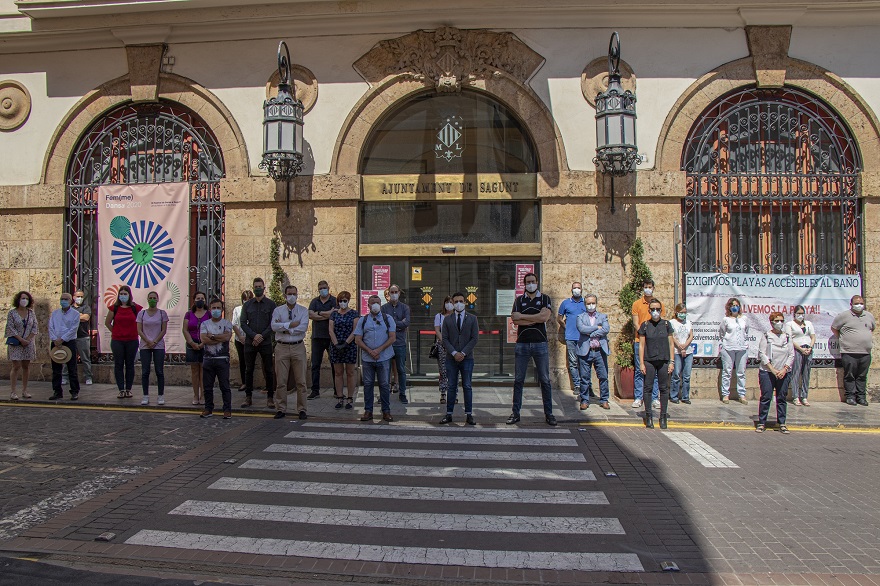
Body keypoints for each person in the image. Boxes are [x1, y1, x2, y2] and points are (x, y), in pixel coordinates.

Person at [508, 272, 557, 426]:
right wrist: (532, 318)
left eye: (533, 281)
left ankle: (549, 414)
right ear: (524, 284)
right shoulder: (519, 300)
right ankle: (515, 413)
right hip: (522, 344)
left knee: (545, 380)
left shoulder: (544, 298)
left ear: (537, 282)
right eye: (528, 282)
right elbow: (514, 319)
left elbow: (544, 318)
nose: (530, 284)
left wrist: (524, 317)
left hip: (540, 343)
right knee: (518, 380)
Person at [439, 292, 480, 425]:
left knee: (467, 386)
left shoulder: (473, 318)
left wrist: (462, 352)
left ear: (465, 302)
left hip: (467, 358)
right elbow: (444, 338)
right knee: (451, 386)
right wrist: (454, 352)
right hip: (451, 358)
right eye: (455, 301)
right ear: (452, 303)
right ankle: (449, 414)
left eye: (460, 301)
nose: (458, 304)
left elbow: (474, 338)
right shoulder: (447, 319)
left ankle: (469, 414)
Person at [355, 294, 396, 422]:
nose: (375, 305)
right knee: (368, 384)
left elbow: (392, 337)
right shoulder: (363, 320)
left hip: (383, 357)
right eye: (373, 302)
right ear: (368, 305)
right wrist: (369, 351)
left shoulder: (388, 318)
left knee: (384, 384)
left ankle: (386, 411)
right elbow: (357, 339)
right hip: (368, 359)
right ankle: (368, 411)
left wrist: (378, 350)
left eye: (377, 302)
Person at [271, 285, 309, 420]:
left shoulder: (303, 311)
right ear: (285, 295)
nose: (292, 296)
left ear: (297, 295)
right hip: (282, 347)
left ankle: (302, 409)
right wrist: (290, 325)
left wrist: (284, 327)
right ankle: (281, 408)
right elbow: (274, 326)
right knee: (281, 381)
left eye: (294, 293)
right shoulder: (278, 310)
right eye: (289, 294)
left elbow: (303, 327)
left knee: (301, 381)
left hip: (298, 346)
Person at [637, 298, 675, 429]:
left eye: (657, 309)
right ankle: (648, 416)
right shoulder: (645, 325)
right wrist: (641, 363)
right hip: (649, 360)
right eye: (652, 309)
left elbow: (671, 343)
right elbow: (641, 345)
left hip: (664, 360)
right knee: (648, 388)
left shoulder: (666, 324)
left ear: (661, 310)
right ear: (649, 310)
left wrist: (671, 361)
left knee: (664, 389)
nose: (655, 312)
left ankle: (663, 416)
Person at [832, 295, 875, 406]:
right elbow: (834, 328)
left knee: (862, 376)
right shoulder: (844, 316)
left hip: (865, 352)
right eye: (856, 303)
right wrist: (843, 339)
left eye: (861, 303)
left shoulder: (869, 316)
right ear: (851, 304)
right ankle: (850, 396)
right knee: (849, 375)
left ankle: (861, 397)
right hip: (849, 352)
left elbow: (872, 329)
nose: (859, 305)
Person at [241, 277, 277, 409]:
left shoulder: (271, 304)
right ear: (253, 287)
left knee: (268, 370)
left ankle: (270, 398)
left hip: (265, 342)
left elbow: (273, 323)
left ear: (264, 287)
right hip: (250, 342)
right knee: (248, 370)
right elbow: (243, 323)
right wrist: (254, 336)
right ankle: (248, 397)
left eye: (260, 286)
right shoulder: (247, 305)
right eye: (255, 286)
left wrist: (261, 336)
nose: (258, 288)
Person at [756, 312, 794, 433]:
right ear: (771, 322)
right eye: (776, 321)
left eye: (781, 321)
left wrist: (784, 369)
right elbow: (762, 353)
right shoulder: (766, 336)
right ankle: (762, 422)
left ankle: (781, 422)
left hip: (783, 372)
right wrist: (772, 369)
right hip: (767, 371)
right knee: (766, 396)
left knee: (781, 397)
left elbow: (791, 354)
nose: (779, 323)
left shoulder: (787, 337)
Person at [105, 285, 142, 399]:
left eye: (125, 294)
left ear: (129, 295)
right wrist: (115, 331)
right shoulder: (114, 308)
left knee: (130, 364)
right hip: (117, 341)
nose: (123, 296)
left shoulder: (135, 308)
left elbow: (140, 322)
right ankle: (121, 389)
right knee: (119, 364)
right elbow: (107, 323)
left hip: (132, 340)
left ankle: (128, 389)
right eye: (121, 294)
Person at [199, 298, 234, 419]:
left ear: (222, 309)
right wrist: (218, 337)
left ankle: (227, 409)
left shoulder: (227, 324)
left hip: (222, 359)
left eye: (218, 308)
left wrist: (212, 336)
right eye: (214, 308)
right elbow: (204, 339)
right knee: (207, 386)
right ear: (210, 309)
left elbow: (226, 338)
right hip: (208, 359)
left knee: (225, 385)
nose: (216, 310)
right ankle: (208, 409)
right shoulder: (205, 324)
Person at [575, 294, 610, 410]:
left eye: (593, 303)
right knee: (584, 377)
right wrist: (597, 328)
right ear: (585, 304)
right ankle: (584, 400)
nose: (591, 305)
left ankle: (604, 399)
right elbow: (582, 329)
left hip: (600, 351)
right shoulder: (580, 317)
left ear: (596, 303)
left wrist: (591, 333)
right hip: (586, 351)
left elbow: (606, 329)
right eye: (588, 303)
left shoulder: (603, 316)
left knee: (603, 376)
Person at [631, 279, 661, 410]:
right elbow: (635, 323)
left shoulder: (658, 305)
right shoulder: (637, 304)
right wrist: (643, 334)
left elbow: (660, 322)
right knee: (639, 370)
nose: (648, 289)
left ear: (653, 288)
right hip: (640, 341)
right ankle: (638, 397)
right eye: (646, 287)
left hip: (654, 343)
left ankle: (655, 398)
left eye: (650, 287)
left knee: (654, 371)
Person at [136, 291, 168, 405]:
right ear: (147, 299)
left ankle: (160, 395)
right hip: (145, 345)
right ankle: (145, 395)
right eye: (150, 298)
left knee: (159, 371)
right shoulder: (142, 314)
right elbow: (139, 330)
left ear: (158, 299)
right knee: (145, 371)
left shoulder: (162, 314)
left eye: (154, 298)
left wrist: (155, 341)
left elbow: (163, 330)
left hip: (158, 345)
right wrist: (147, 341)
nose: (152, 300)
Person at [329, 291, 359, 410]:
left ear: (348, 301)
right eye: (340, 300)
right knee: (338, 373)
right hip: (336, 345)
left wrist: (346, 343)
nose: (342, 302)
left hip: (349, 346)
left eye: (345, 300)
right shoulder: (334, 314)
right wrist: (336, 344)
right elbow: (331, 330)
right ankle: (340, 397)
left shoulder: (354, 314)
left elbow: (355, 330)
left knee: (350, 372)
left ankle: (350, 397)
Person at [5, 290, 37, 401]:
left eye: (27, 299)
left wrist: (27, 339)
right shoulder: (12, 313)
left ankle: (25, 390)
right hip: (16, 343)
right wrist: (20, 339)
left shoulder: (31, 313)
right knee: (16, 366)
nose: (24, 300)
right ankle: (13, 391)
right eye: (22, 298)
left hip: (28, 343)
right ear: (18, 300)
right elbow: (10, 327)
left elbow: (35, 327)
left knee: (26, 366)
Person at [48, 293, 81, 401]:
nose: (63, 301)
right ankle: (57, 391)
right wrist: (55, 339)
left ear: (71, 301)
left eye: (66, 299)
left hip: (69, 342)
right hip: (56, 342)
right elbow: (50, 326)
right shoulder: (55, 313)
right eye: (62, 299)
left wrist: (62, 339)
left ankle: (74, 391)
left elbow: (73, 329)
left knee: (72, 368)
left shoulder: (75, 314)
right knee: (56, 369)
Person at [307, 280, 337, 400]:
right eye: (320, 288)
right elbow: (310, 315)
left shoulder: (334, 300)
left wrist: (318, 314)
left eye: (324, 287)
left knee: (335, 364)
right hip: (317, 337)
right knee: (315, 365)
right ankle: (315, 391)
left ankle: (337, 390)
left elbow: (334, 315)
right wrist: (326, 314)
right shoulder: (314, 301)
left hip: (331, 337)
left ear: (328, 288)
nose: (322, 290)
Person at [382, 284, 411, 404]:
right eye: (391, 292)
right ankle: (385, 392)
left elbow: (406, 323)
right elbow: (383, 324)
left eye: (395, 292)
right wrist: (399, 324)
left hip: (399, 342)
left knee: (401, 369)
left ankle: (402, 393)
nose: (393, 294)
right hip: (387, 343)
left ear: (399, 293)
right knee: (385, 369)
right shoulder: (383, 308)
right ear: (388, 294)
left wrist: (392, 323)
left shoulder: (405, 308)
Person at [558, 282, 587, 398]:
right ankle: (577, 385)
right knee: (573, 362)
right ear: (571, 290)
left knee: (584, 362)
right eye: (575, 288)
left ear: (582, 289)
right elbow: (559, 318)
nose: (576, 290)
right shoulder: (565, 303)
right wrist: (566, 327)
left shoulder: (585, 303)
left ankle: (586, 385)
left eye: (578, 288)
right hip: (570, 337)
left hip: (584, 337)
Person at [718, 297, 749, 404]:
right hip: (728, 348)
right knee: (727, 371)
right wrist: (726, 342)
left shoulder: (744, 319)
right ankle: (725, 394)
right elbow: (722, 333)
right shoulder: (726, 319)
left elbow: (746, 331)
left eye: (736, 305)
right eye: (732, 305)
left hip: (742, 348)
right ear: (729, 307)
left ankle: (742, 394)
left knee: (741, 372)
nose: (734, 307)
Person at [182, 291, 210, 405]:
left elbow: (211, 328)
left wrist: (203, 343)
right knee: (194, 370)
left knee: (203, 370)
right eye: (198, 298)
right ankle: (195, 395)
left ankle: (203, 395)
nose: (200, 300)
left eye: (202, 298)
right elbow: (185, 329)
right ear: (194, 300)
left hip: (205, 344)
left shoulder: (209, 314)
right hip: (191, 344)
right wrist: (191, 342)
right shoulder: (189, 314)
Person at [786, 305, 816, 407]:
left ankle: (804, 396)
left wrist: (810, 347)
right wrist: (800, 349)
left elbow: (812, 336)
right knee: (796, 372)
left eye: (802, 313)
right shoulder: (790, 324)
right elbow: (790, 339)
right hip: (797, 349)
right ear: (794, 314)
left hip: (808, 349)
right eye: (798, 313)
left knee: (806, 373)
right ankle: (795, 396)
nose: (800, 315)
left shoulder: (808, 323)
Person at [670, 303, 694, 405]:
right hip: (676, 351)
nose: (683, 315)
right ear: (676, 312)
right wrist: (679, 346)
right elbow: (672, 336)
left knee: (686, 375)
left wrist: (685, 345)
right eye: (681, 313)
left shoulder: (688, 323)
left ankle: (685, 396)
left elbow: (691, 335)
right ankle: (674, 396)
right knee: (676, 374)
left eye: (685, 313)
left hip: (688, 351)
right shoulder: (672, 322)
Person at [231, 290, 254, 392]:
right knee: (242, 361)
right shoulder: (237, 309)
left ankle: (250, 383)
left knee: (250, 362)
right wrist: (240, 336)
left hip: (250, 339)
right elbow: (234, 324)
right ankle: (244, 382)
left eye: (249, 299)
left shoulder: (254, 310)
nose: (247, 301)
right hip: (240, 339)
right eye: (245, 299)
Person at [433, 296, 454, 403]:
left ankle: (453, 393)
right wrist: (445, 342)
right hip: (442, 346)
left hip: (454, 347)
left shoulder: (456, 316)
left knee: (454, 371)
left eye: (451, 302)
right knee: (443, 371)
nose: (449, 304)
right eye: (447, 302)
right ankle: (443, 393)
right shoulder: (439, 316)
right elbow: (437, 330)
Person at [72, 290, 93, 386]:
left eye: (81, 296)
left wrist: (75, 316)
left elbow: (86, 318)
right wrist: (79, 315)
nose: (79, 298)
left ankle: (88, 377)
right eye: (78, 296)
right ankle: (65, 376)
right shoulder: (70, 308)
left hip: (83, 336)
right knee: (68, 358)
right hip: (71, 337)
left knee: (85, 358)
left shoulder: (86, 307)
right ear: (73, 297)